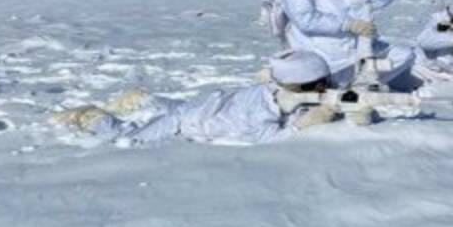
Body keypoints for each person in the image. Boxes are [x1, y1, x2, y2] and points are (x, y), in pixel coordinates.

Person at [51, 50, 341, 145]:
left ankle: (143, 100)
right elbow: (267, 138)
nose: (323, 87)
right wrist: (301, 127)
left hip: (206, 105)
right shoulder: (257, 111)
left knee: (179, 106)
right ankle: (93, 117)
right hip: (188, 122)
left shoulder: (279, 92)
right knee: (129, 138)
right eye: (316, 84)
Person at [270, 0, 416, 89]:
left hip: (358, 51)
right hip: (327, 58)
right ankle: (350, 86)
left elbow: (383, 0)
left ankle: (361, 84)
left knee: (403, 54)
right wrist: (347, 25)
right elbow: (305, 20)